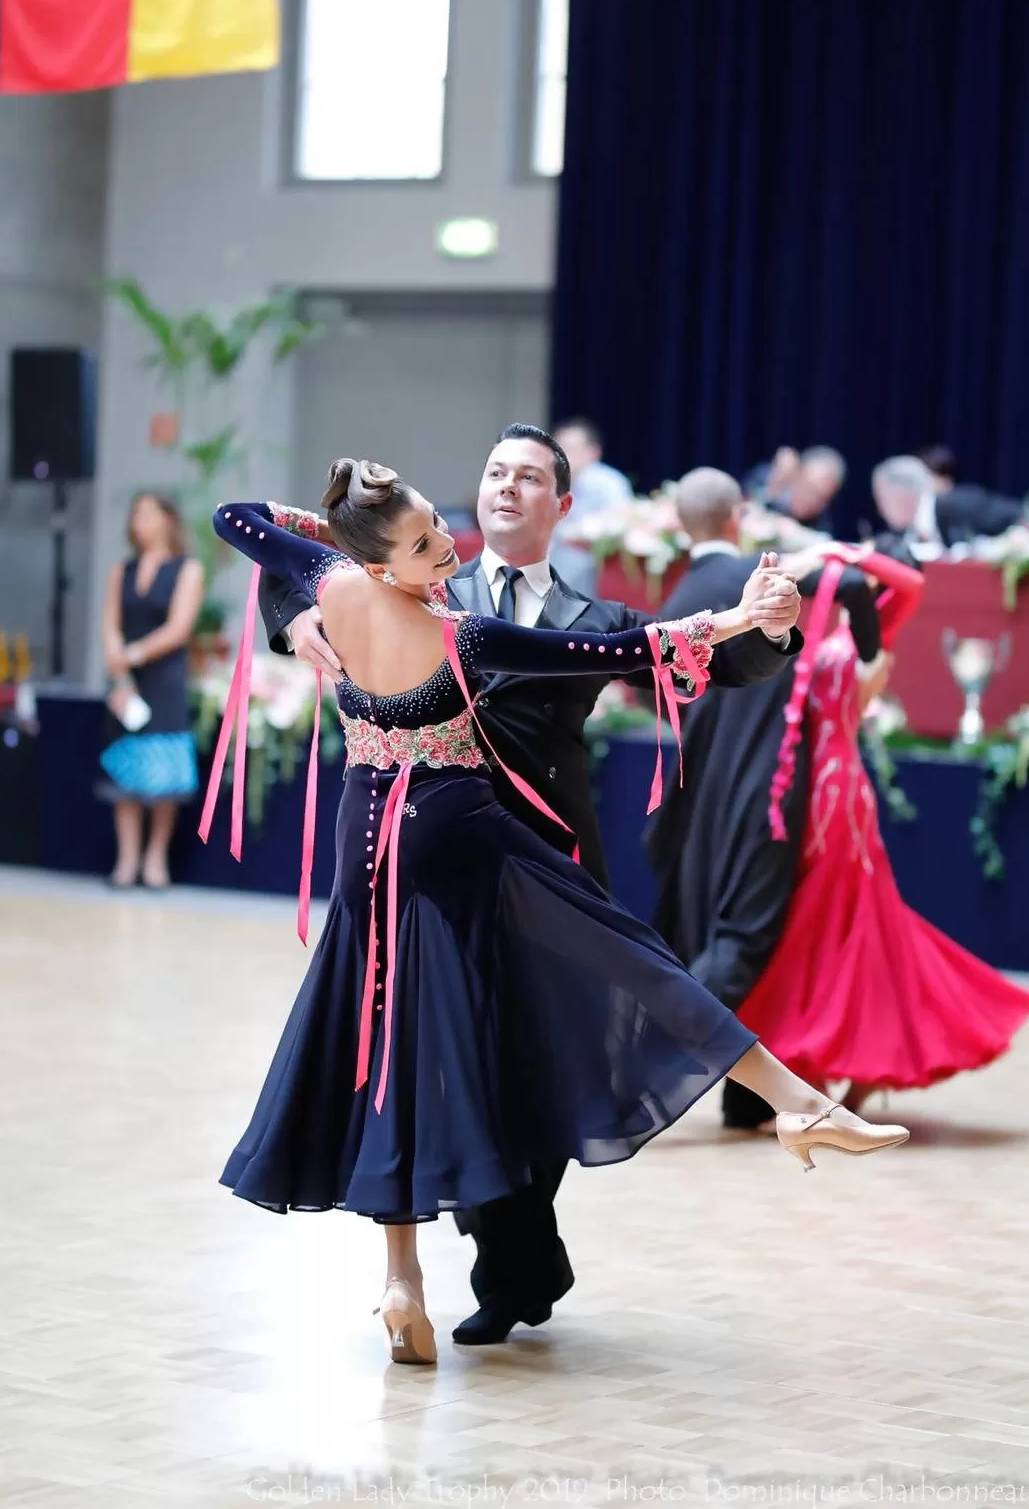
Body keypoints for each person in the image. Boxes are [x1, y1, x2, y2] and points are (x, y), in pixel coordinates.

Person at [205, 461, 909, 1368]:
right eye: (423, 543)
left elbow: (239, 516)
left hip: (364, 846)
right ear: (386, 565)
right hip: (461, 835)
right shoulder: (460, 633)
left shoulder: (330, 584)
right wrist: (738, 617)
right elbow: (627, 654)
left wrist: (316, 569)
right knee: (632, 956)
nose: (445, 544)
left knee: (390, 1053)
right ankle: (793, 1101)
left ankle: (402, 1282)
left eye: (437, 524)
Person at [736, 542, 1029, 1101]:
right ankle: (821, 1063)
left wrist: (841, 552)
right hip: (813, 787)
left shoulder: (875, 632)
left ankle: (847, 1065)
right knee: (820, 923)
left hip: (837, 792)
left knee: (840, 923)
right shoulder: (841, 631)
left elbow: (912, 584)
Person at [645, 468, 882, 1133]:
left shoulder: (679, 596)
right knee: (742, 940)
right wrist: (871, 657)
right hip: (763, 785)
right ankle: (639, 1070)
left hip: (699, 791)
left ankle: (748, 1097)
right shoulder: (755, 579)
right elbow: (861, 584)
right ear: (737, 516)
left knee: (727, 936)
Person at [98, 492, 204, 888]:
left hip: (163, 678)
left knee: (163, 772)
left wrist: (135, 652)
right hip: (126, 680)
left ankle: (155, 859)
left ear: (167, 519)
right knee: (123, 772)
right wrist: (117, 660)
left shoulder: (187, 569)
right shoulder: (120, 570)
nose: (138, 519)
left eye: (146, 512)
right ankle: (126, 860)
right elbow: (110, 620)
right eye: (135, 512)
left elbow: (179, 628)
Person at [548, 418, 633, 596]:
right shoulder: (549, 480)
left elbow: (625, 523)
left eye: (570, 449)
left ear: (593, 452)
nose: (562, 455)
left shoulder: (609, 482)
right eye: (558, 449)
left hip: (598, 564)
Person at [873, 455, 1028, 552]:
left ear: (902, 495)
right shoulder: (905, 534)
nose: (880, 510)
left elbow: (1021, 517)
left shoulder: (960, 504)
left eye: (881, 499)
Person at [769, 447, 846, 535]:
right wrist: (772, 487)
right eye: (809, 489)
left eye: (821, 498)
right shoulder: (769, 482)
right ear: (796, 474)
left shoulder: (821, 524)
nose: (811, 500)